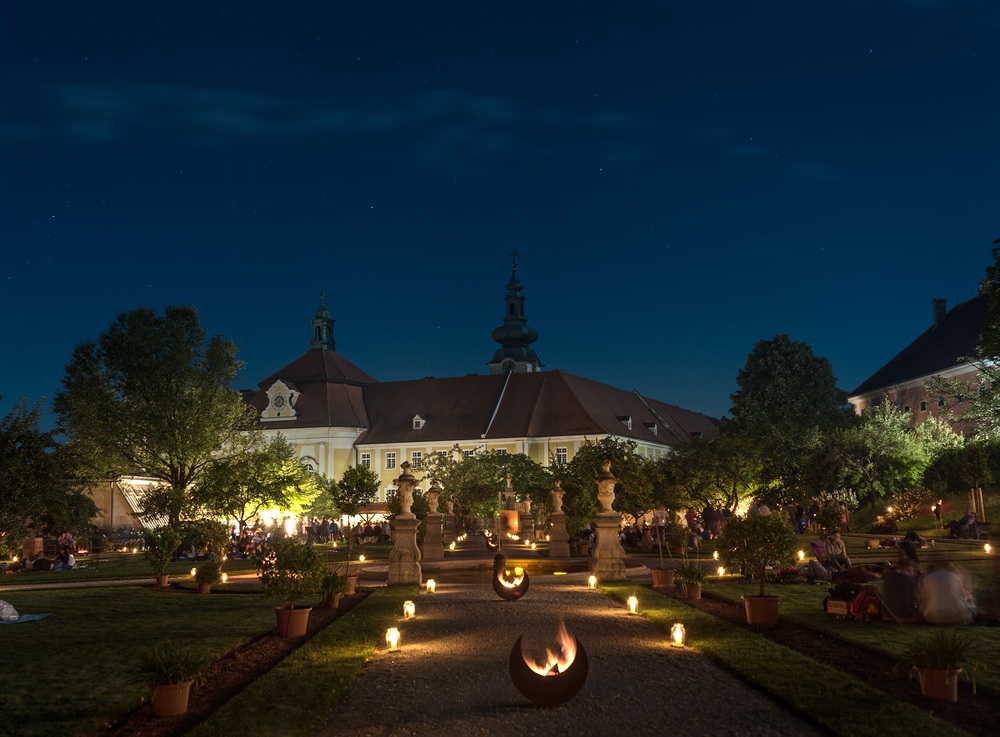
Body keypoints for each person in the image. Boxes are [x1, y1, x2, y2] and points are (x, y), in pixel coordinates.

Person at [881, 541, 921, 623]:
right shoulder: (910, 578)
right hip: (904, 616)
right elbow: (917, 598)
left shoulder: (890, 575)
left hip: (886, 616)